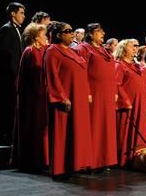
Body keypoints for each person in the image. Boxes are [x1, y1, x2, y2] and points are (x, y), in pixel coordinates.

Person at [44, 22, 93, 178]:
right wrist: (61, 97)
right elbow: (52, 76)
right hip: (65, 100)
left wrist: (86, 93)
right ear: (58, 35)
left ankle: (74, 165)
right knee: (62, 133)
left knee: (76, 132)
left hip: (78, 98)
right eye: (68, 31)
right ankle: (60, 169)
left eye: (73, 30)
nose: (72, 33)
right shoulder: (53, 51)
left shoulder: (73, 52)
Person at [75, 23, 117, 171]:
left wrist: (115, 91)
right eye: (99, 31)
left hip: (107, 95)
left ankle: (103, 159)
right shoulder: (83, 48)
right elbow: (81, 72)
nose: (103, 33)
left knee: (106, 127)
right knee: (94, 125)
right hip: (94, 93)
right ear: (91, 34)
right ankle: (90, 161)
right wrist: (86, 91)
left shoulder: (105, 51)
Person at [12, 23, 48, 173]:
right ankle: (31, 161)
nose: (45, 37)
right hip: (32, 98)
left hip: (41, 96)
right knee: (32, 127)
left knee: (40, 129)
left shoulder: (42, 50)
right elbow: (32, 77)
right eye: (43, 34)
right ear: (35, 37)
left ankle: (41, 160)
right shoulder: (30, 51)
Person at [0, 2, 25, 146]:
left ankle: (6, 135)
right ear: (13, 13)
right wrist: (12, 75)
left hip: (13, 76)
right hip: (7, 76)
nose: (24, 16)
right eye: (21, 13)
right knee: (4, 105)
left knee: (10, 106)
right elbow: (4, 54)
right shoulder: (7, 29)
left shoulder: (16, 29)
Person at [114, 39, 146, 167]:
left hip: (139, 104)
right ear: (123, 49)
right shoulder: (119, 64)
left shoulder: (136, 66)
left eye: (135, 47)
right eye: (131, 46)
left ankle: (135, 157)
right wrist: (126, 101)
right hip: (128, 105)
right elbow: (117, 85)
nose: (135, 48)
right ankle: (122, 159)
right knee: (125, 131)